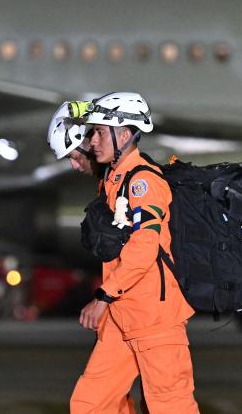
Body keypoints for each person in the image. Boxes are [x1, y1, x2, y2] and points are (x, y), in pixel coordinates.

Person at [51, 93, 199, 413]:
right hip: (123, 317)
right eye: (92, 133)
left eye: (100, 132)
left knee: (170, 406)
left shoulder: (143, 181)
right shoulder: (114, 180)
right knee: (90, 404)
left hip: (154, 320)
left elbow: (144, 248)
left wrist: (103, 296)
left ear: (125, 135)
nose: (92, 141)